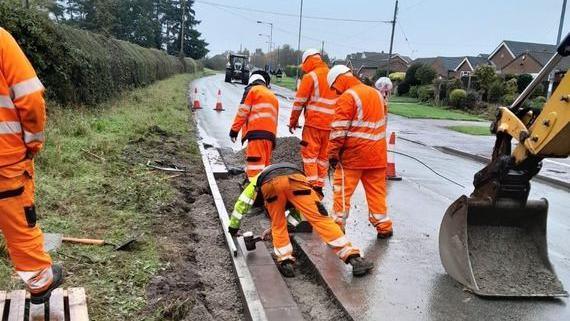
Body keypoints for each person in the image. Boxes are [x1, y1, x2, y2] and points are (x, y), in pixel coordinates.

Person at [0, 27, 63, 303]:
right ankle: (39, 280)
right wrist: (32, 144)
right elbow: (30, 98)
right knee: (20, 224)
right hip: (6, 160)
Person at [228, 163, 373, 277]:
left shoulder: (256, 182)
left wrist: (233, 228)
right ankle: (354, 259)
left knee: (278, 225)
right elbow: (298, 214)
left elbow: (241, 204)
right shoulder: (283, 172)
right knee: (321, 220)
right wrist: (286, 226)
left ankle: (286, 263)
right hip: (297, 180)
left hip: (270, 184)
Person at [326, 65, 393, 239]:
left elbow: (339, 130)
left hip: (353, 157)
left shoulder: (348, 97)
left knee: (342, 192)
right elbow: (382, 122)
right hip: (377, 156)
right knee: (377, 193)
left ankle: (337, 227)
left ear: (339, 79)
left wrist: (333, 154)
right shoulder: (377, 94)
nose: (335, 91)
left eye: (334, 87)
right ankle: (384, 226)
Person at [288, 49, 338, 195]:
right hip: (331, 127)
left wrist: (293, 121)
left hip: (314, 125)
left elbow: (299, 102)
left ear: (307, 61)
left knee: (309, 156)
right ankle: (319, 187)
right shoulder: (333, 76)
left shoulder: (311, 77)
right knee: (323, 158)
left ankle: (312, 187)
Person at [230, 72, 278, 179]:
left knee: (254, 172)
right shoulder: (272, 96)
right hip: (270, 139)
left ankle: (253, 195)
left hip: (257, 138)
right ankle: (264, 194)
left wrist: (234, 131)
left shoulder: (252, 90)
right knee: (265, 173)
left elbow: (243, 112)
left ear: (251, 82)